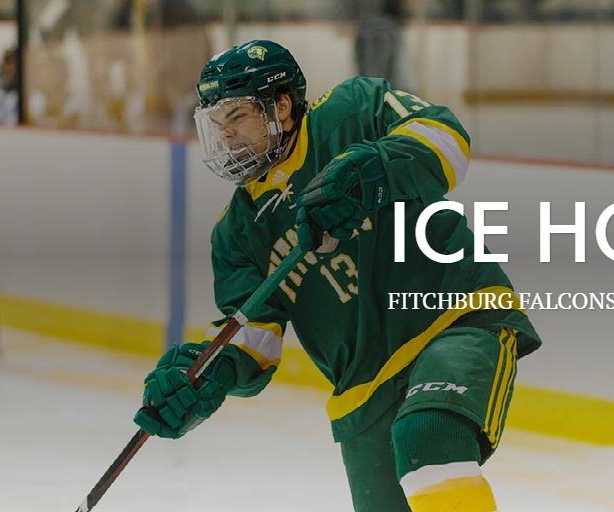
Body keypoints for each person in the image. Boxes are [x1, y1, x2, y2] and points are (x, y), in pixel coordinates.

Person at [133, 40, 542, 511]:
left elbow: (448, 140)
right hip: (363, 388)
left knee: (429, 438)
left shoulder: (352, 111)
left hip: (454, 318)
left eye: (238, 116)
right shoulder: (238, 234)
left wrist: (376, 168)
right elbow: (254, 337)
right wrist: (208, 374)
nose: (226, 136)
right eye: (218, 123)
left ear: (282, 107)